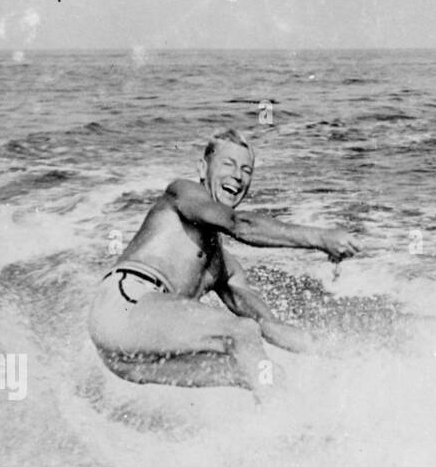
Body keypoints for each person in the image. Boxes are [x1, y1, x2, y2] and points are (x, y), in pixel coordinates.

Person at [88, 128, 361, 391]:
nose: (238, 176)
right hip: (122, 307)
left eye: (246, 170)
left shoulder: (223, 267)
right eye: (228, 164)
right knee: (241, 331)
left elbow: (270, 327)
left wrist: (342, 353)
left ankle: (285, 431)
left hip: (128, 362)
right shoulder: (183, 193)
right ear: (202, 169)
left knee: (259, 372)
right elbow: (239, 224)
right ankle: (291, 433)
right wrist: (321, 239)